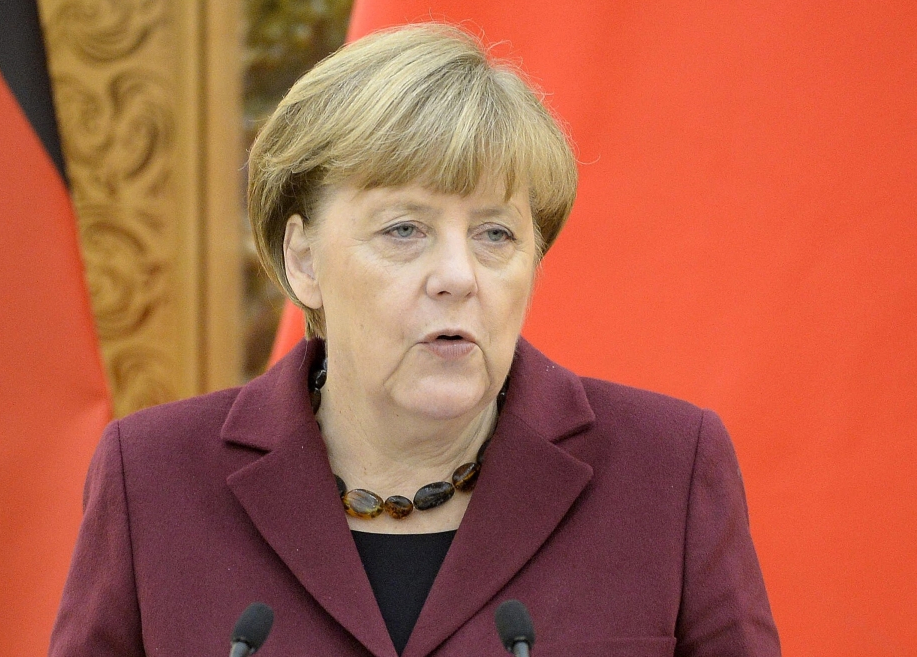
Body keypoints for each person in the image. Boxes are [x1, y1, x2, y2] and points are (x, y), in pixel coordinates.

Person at [49, 23, 780, 657]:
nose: (458, 275)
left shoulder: (666, 471)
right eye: (406, 229)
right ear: (304, 259)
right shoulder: (152, 479)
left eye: (496, 233)